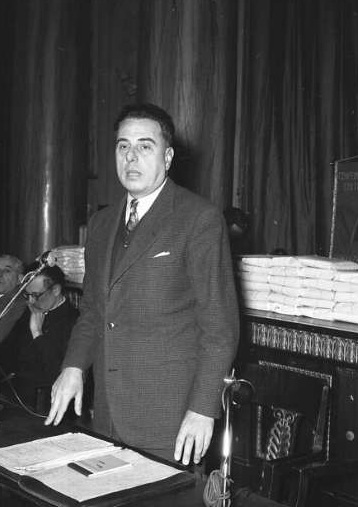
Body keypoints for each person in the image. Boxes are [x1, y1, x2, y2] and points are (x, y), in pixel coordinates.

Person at [45, 103, 240, 465]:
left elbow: (220, 328)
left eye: (144, 146)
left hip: (170, 420)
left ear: (168, 156)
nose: (131, 157)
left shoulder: (199, 218)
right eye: (123, 146)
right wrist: (73, 366)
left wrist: (203, 409)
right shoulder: (102, 223)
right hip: (107, 413)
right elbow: (93, 312)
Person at [0, 264, 79, 412]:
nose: (31, 302)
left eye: (36, 295)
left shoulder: (74, 321)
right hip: (14, 399)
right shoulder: (31, 311)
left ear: (56, 290)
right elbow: (5, 352)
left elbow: (56, 373)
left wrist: (37, 333)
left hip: (46, 406)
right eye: (27, 295)